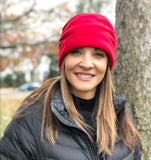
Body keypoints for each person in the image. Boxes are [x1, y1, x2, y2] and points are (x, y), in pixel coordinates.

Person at [0, 13, 141, 160]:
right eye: (76, 52)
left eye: (98, 54)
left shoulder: (124, 119)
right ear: (63, 60)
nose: (86, 64)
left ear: (107, 64)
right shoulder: (30, 120)